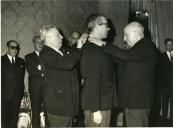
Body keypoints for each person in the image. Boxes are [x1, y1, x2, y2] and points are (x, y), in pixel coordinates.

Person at [102, 22, 157, 127]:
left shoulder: (145, 46)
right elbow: (120, 58)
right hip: (132, 101)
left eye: (126, 34)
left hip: (137, 102)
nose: (124, 39)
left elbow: (124, 56)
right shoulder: (137, 49)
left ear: (136, 33)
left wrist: (103, 44)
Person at [39, 25, 81, 127]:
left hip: (65, 103)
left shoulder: (60, 51)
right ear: (48, 39)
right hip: (58, 104)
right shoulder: (46, 53)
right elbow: (68, 64)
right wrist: (79, 48)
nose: (62, 37)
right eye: (58, 35)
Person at [80, 13, 117, 127]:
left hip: (100, 102)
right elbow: (93, 79)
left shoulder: (93, 45)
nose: (109, 28)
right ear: (97, 26)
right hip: (98, 104)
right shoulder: (94, 49)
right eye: (106, 25)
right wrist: (96, 110)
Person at [1, 40, 25, 128]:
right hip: (4, 96)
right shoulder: (1, 60)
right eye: (12, 47)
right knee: (5, 119)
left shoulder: (21, 61)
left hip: (17, 95)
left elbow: (21, 79)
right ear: (7, 48)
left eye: (17, 48)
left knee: (14, 120)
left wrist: (22, 93)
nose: (15, 50)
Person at [25, 36, 45, 128]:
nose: (40, 44)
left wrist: (40, 69)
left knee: (49, 112)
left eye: (42, 42)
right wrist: (44, 71)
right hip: (35, 89)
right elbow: (32, 70)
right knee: (35, 111)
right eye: (38, 42)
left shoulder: (48, 55)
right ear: (34, 43)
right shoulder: (29, 57)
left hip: (48, 88)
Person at [157, 39, 173, 122]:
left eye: (171, 45)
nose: (169, 46)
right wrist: (160, 85)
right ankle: (163, 120)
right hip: (164, 86)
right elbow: (158, 72)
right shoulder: (161, 57)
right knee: (164, 103)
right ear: (165, 45)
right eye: (168, 45)